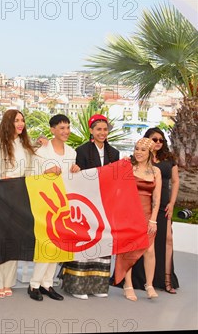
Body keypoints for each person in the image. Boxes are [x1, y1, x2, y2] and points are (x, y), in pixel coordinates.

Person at [60, 114, 119, 300]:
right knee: (84, 242)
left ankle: (97, 285)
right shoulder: (82, 151)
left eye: (105, 129)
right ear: (91, 131)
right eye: (98, 129)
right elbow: (76, 177)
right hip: (86, 206)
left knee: (103, 243)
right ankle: (78, 285)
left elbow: (116, 180)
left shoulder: (115, 153)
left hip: (106, 205)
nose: (102, 132)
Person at [28, 114, 80, 302]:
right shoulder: (42, 150)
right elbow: (31, 176)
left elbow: (70, 181)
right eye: (61, 128)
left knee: (59, 245)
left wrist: (76, 171)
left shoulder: (72, 152)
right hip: (44, 203)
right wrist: (46, 172)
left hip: (63, 204)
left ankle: (47, 283)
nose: (66, 131)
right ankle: (34, 284)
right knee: (46, 244)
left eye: (67, 127)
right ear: (52, 130)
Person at [0, 109, 37, 299]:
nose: (20, 124)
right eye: (16, 120)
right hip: (1, 194)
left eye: (22, 120)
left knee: (14, 238)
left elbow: (32, 169)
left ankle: (9, 281)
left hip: (20, 195)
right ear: (8, 122)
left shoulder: (25, 144)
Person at [126, 128, 179, 293]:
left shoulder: (167, 160)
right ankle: (133, 282)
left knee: (163, 241)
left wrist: (171, 203)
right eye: (154, 139)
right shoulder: (133, 162)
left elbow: (175, 182)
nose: (157, 142)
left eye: (160, 140)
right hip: (137, 207)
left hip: (160, 206)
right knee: (133, 246)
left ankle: (162, 281)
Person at [115, 137, 161, 301]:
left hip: (148, 215)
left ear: (150, 152)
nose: (138, 152)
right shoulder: (128, 167)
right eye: (136, 148)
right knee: (128, 250)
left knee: (149, 250)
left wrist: (153, 219)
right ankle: (128, 285)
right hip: (128, 214)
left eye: (143, 149)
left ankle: (149, 285)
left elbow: (157, 197)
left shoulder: (156, 172)